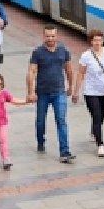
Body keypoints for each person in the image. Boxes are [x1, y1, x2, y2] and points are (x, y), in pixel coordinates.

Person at [27, 25, 76, 163]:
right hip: (42, 92)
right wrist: (30, 91)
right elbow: (31, 71)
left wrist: (70, 86)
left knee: (61, 120)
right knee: (40, 120)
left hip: (59, 91)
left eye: (53, 36)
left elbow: (69, 69)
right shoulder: (37, 52)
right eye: (48, 36)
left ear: (57, 36)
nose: (50, 38)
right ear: (44, 36)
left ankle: (64, 151)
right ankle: (40, 141)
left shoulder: (64, 51)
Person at [72, 29, 104, 158]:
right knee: (96, 115)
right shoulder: (86, 56)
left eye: (100, 40)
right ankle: (100, 144)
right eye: (95, 40)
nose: (97, 43)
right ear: (91, 41)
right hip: (90, 92)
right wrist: (76, 91)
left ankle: (94, 129)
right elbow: (80, 73)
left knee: (100, 117)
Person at [0, 73, 27, 170]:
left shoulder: (4, 94)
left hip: (1, 122)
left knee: (2, 140)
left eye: (0, 84)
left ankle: (5, 159)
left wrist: (25, 101)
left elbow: (13, 100)